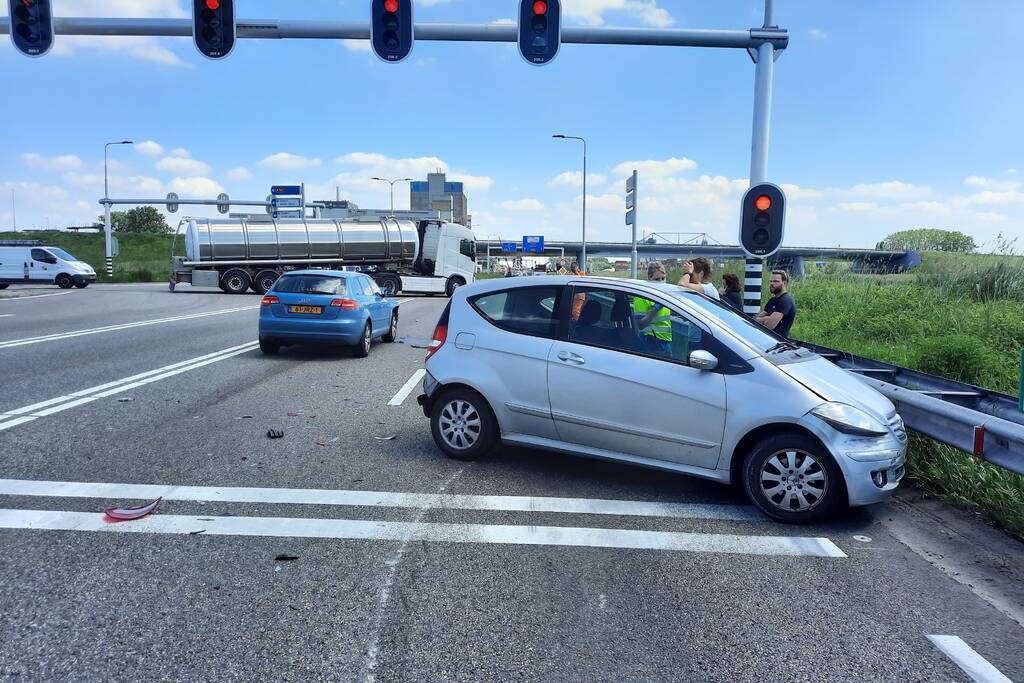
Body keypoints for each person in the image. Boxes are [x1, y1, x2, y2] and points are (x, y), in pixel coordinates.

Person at [633, 261, 673, 356]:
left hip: (665, 341)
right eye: (657, 279)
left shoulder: (666, 295)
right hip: (651, 340)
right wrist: (655, 308)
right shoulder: (642, 296)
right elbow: (640, 325)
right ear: (649, 278)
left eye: (663, 278)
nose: (661, 282)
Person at [756, 270, 797, 337]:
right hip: (767, 339)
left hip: (778, 342)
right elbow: (756, 319)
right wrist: (767, 318)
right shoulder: (772, 300)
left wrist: (765, 319)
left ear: (784, 283)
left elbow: (770, 325)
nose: (772, 283)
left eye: (775, 281)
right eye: (771, 281)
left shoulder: (786, 300)